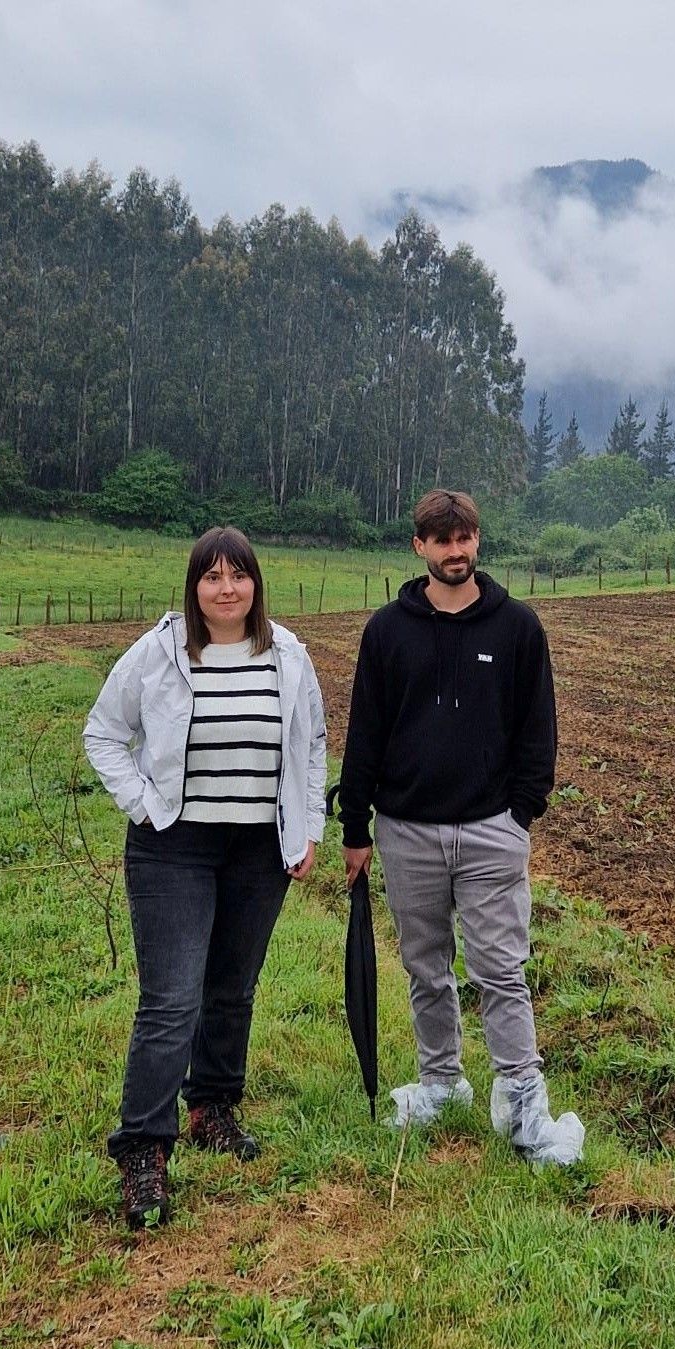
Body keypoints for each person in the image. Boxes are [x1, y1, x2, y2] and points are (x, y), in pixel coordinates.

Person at [84, 527, 327, 1228]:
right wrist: (143, 805)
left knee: (232, 988)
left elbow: (311, 743)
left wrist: (306, 827)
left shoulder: (289, 655)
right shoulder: (159, 652)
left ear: (256, 584)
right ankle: (143, 1147)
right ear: (194, 587)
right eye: (212, 576)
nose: (227, 588)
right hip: (174, 848)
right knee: (171, 1000)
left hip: (259, 850)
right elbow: (104, 733)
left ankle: (213, 1108)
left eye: (238, 575)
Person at [339, 488, 584, 1166]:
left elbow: (538, 731)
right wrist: (355, 828)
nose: (456, 550)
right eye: (442, 539)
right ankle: (442, 1084)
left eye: (465, 537)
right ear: (419, 546)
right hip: (406, 832)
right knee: (426, 968)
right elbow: (365, 733)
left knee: (500, 970)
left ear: (477, 540)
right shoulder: (387, 631)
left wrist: (519, 815)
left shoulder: (517, 628)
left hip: (490, 832)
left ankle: (526, 1112)